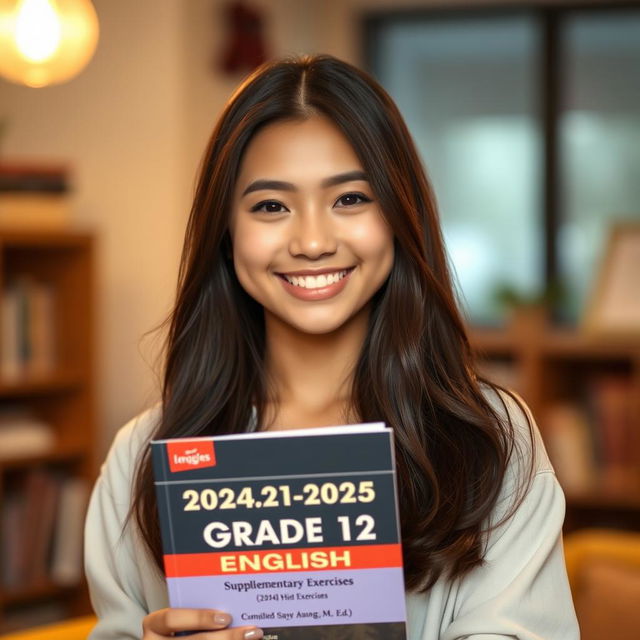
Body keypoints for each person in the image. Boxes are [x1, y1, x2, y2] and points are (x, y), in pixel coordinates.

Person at [84, 53, 579, 640]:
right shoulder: (144, 453)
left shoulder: (489, 439)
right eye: (271, 206)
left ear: (399, 215)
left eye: (350, 199)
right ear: (227, 230)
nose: (313, 241)